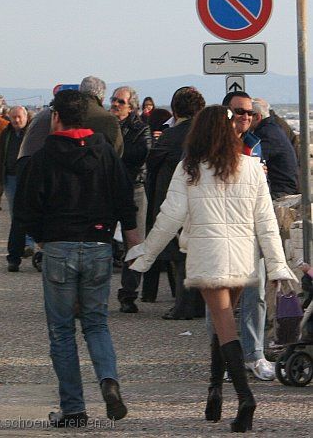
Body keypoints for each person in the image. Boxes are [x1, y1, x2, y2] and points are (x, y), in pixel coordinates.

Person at [126, 105, 297, 432]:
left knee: (223, 323)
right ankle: (214, 391)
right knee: (224, 323)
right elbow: (267, 223)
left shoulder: (189, 169)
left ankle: (245, 397)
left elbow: (169, 219)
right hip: (243, 256)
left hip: (209, 256)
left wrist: (147, 254)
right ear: (231, 131)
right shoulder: (251, 167)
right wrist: (276, 266)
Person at [17, 90, 139, 427]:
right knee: (96, 323)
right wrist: (129, 236)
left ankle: (73, 410)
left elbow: (26, 209)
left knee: (61, 331)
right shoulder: (105, 153)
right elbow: (124, 197)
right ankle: (108, 380)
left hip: (58, 246)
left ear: (56, 118)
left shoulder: (43, 157)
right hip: (99, 245)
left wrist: (42, 238)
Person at [222, 90, 275, 381]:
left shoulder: (255, 144)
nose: (245, 117)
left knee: (256, 294)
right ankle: (226, 358)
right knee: (222, 300)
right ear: (226, 114)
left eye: (249, 113)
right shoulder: (212, 146)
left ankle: (255, 355)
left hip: (252, 228)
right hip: (223, 230)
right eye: (239, 111)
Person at [143, 87, 206, 318]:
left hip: (175, 201)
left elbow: (153, 167)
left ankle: (184, 306)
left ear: (175, 110)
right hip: (202, 202)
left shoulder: (171, 136)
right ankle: (199, 306)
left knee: (181, 257)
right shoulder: (207, 136)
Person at [110, 86, 152, 314]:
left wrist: (113, 154)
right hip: (107, 189)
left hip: (134, 187)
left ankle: (128, 293)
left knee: (135, 245)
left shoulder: (140, 127)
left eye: (120, 101)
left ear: (131, 106)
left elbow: (142, 153)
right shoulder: (105, 125)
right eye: (113, 100)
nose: (115, 104)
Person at [0, 106, 31, 272]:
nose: (16, 120)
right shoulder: (6, 134)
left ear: (25, 117)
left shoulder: (32, 133)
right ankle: (17, 251)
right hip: (11, 177)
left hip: (29, 177)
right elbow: (0, 154)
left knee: (30, 210)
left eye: (19, 117)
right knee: (16, 214)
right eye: (13, 117)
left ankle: (29, 243)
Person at [250, 98, 298, 198]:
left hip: (280, 190)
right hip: (286, 186)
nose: (246, 118)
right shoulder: (273, 127)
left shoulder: (266, 133)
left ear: (257, 116)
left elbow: (253, 161)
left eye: (249, 114)